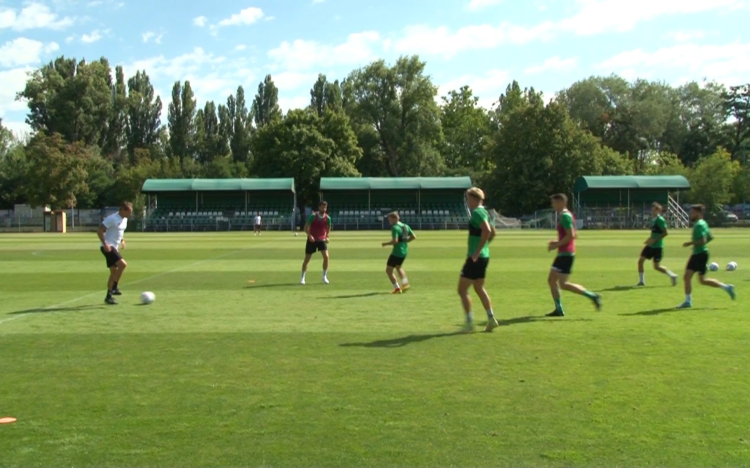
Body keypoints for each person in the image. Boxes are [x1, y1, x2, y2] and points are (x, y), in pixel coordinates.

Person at [547, 194, 601, 317]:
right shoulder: (568, 215)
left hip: (565, 254)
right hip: (565, 253)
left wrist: (557, 245)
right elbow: (574, 235)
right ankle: (559, 308)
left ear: (561, 202)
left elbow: (571, 235)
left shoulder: (565, 216)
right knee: (553, 280)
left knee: (563, 284)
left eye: (554, 202)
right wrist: (558, 242)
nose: (552, 205)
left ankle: (592, 296)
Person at [678, 204, 735, 308]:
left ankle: (726, 287)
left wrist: (691, 243)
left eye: (692, 213)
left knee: (701, 280)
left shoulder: (699, 225)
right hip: (698, 254)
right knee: (688, 277)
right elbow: (710, 237)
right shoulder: (703, 223)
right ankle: (688, 301)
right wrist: (697, 245)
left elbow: (703, 240)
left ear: (698, 213)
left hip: (700, 255)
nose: (690, 214)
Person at [458, 187, 498, 333]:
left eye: (468, 198)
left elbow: (487, 231)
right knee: (478, 287)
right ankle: (491, 318)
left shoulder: (477, 213)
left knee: (462, 290)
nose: (467, 201)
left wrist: (477, 251)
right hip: (484, 257)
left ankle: (469, 323)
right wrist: (484, 247)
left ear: (474, 199)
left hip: (475, 257)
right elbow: (493, 233)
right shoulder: (485, 212)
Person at [97, 202, 133, 305]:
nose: (130, 215)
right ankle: (114, 287)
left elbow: (119, 231)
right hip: (108, 247)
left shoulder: (124, 219)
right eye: (129, 212)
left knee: (114, 271)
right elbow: (99, 231)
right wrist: (105, 244)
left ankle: (108, 297)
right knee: (123, 264)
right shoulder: (112, 218)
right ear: (123, 210)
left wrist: (122, 240)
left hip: (114, 247)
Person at [637, 202, 678, 287]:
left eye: (654, 210)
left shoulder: (660, 220)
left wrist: (655, 240)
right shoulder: (653, 219)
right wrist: (649, 240)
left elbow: (665, 233)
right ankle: (641, 281)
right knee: (640, 261)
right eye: (652, 210)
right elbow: (654, 232)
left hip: (657, 246)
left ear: (659, 211)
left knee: (656, 267)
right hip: (650, 245)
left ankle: (672, 275)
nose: (652, 211)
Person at [381, 212, 416, 294]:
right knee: (398, 267)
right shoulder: (405, 226)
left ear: (395, 218)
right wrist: (405, 242)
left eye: (390, 220)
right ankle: (405, 283)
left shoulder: (395, 228)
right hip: (404, 251)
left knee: (388, 271)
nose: (389, 222)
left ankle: (397, 288)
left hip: (396, 252)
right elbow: (413, 236)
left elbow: (395, 241)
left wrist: (386, 244)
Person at [301, 201, 332, 285]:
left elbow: (328, 227)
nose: (324, 209)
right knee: (307, 259)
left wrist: (327, 236)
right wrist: (309, 235)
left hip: (321, 239)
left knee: (326, 256)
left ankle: (324, 276)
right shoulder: (313, 216)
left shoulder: (328, 218)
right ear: (319, 207)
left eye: (325, 207)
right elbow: (306, 227)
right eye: (322, 207)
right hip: (312, 239)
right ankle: (303, 277)